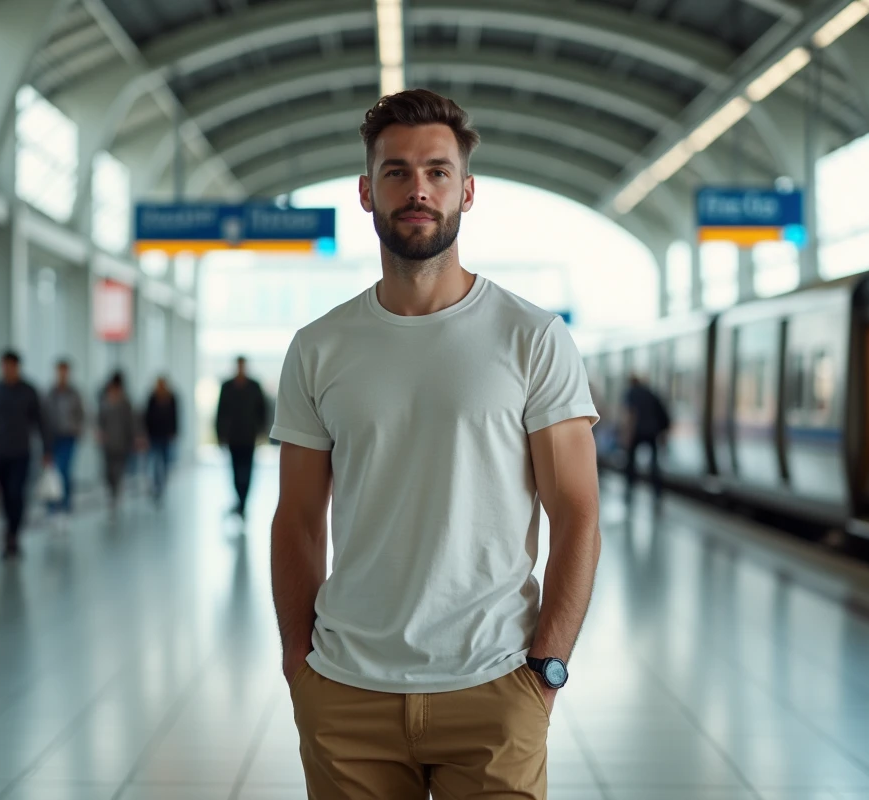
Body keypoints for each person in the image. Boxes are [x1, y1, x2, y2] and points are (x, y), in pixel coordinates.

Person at [270, 89, 602, 799]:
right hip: (346, 693)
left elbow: (577, 513)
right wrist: (300, 668)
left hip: (494, 687)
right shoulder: (319, 348)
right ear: (366, 191)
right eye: (395, 172)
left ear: (467, 191)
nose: (417, 188)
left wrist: (545, 672)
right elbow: (297, 519)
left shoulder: (532, 338)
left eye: (437, 172)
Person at [0, 350, 52, 559]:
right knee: (5, 496)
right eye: (4, 366)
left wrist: (47, 449)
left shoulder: (29, 391)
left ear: (17, 367)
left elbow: (40, 422)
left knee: (17, 493)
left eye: (11, 366)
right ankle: (9, 531)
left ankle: (13, 534)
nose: (7, 370)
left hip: (21, 453)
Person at [215, 356, 267, 519]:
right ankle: (240, 501)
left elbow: (263, 410)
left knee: (248, 470)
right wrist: (220, 434)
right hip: (233, 436)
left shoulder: (254, 386)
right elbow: (220, 412)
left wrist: (261, 431)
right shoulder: (227, 386)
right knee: (235, 470)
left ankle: (243, 503)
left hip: (249, 435)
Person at [44, 359, 85, 516]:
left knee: (65, 470)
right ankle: (52, 505)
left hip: (69, 436)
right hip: (53, 437)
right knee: (53, 471)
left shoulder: (74, 393)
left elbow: (81, 414)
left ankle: (66, 503)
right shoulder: (50, 393)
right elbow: (44, 415)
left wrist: (78, 428)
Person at [622, 374, 671, 503]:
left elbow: (631, 414)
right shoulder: (651, 392)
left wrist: (627, 434)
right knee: (654, 463)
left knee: (631, 461)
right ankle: (657, 491)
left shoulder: (631, 392)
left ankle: (629, 489)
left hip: (637, 431)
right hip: (652, 432)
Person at [96, 372, 138, 512]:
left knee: (118, 469)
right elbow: (99, 420)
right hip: (108, 443)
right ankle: (111, 491)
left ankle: (116, 492)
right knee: (108, 471)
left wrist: (134, 438)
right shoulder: (104, 402)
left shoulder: (125, 402)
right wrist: (100, 433)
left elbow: (131, 422)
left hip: (122, 442)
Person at [144, 376, 179, 504]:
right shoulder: (152, 397)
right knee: (153, 460)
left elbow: (175, 415)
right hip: (154, 434)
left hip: (166, 435)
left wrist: (174, 432)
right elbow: (147, 416)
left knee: (164, 461)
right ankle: (156, 484)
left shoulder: (171, 397)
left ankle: (161, 483)